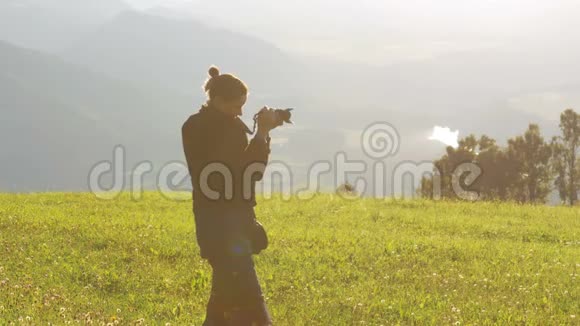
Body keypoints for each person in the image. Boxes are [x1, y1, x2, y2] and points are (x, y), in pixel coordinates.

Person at [181, 66, 282, 325]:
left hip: (210, 221)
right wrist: (261, 133)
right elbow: (249, 174)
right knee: (249, 299)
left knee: (225, 297)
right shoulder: (230, 129)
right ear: (217, 100)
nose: (240, 112)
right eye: (237, 106)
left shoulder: (193, 125)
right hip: (230, 225)